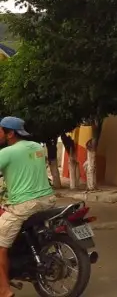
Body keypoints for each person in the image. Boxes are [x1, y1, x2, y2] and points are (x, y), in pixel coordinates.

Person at [0, 117, 56, 297]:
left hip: (24, 205)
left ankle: (4, 290)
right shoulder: (37, 147)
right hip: (47, 200)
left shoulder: (8, 152)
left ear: (10, 133)